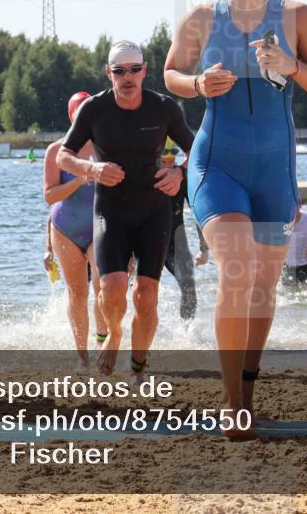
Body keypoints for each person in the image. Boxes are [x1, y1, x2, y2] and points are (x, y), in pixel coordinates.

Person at [164, 0, 307, 434]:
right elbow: (172, 73)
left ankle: (247, 383)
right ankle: (231, 398)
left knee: (262, 288)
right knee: (236, 268)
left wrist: (292, 65)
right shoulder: (200, 17)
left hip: (274, 174)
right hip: (216, 164)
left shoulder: (300, 18)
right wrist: (196, 83)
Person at [58, 40, 194, 377]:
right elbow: (63, 155)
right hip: (111, 210)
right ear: (109, 73)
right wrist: (91, 169)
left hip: (154, 211)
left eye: (135, 69)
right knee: (111, 287)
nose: (128, 76)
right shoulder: (94, 109)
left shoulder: (163, 108)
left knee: (146, 294)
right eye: (120, 71)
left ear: (145, 70)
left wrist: (181, 173)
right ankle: (114, 333)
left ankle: (138, 364)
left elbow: (200, 150)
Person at [44, 91, 108, 368]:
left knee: (104, 286)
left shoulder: (106, 146)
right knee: (77, 293)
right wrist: (81, 179)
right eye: (79, 113)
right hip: (65, 230)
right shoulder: (56, 151)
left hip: (99, 227)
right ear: (72, 117)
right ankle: (81, 355)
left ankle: (102, 340)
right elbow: (50, 196)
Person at [161, 141, 199, 321]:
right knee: (145, 289)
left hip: (177, 239)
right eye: (164, 161)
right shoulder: (144, 177)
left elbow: (198, 211)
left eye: (172, 160)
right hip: (147, 240)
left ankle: (186, 334)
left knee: (189, 285)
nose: (169, 166)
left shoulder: (181, 178)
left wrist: (204, 248)